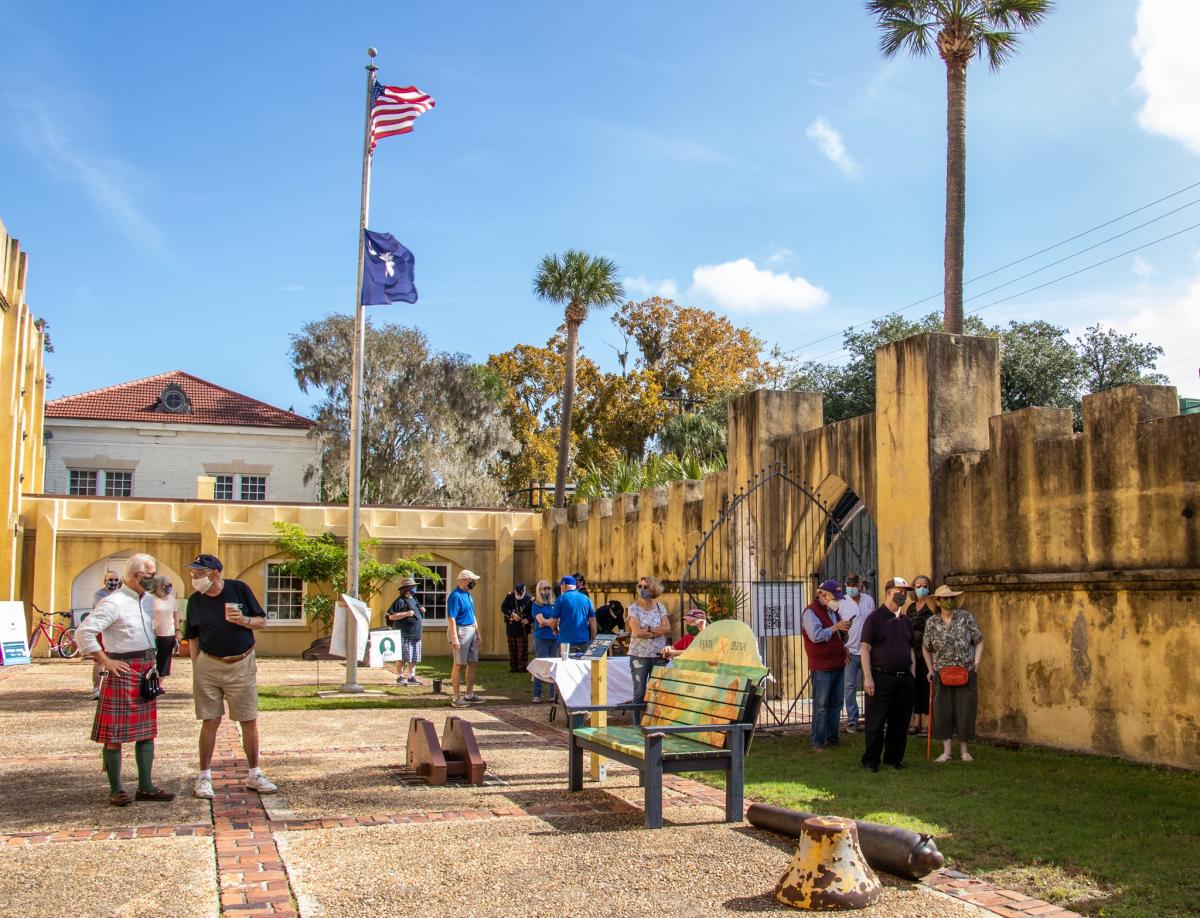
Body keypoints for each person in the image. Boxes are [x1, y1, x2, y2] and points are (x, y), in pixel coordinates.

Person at [75, 553, 175, 806]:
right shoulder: (113, 602)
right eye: (150, 576)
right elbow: (85, 632)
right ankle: (116, 789)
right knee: (115, 734)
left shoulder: (147, 601)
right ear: (135, 576)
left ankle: (146, 786)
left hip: (145, 668)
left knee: (146, 732)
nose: (154, 579)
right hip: (123, 667)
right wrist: (105, 661)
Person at [184, 553, 277, 799]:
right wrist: (197, 667)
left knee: (248, 720)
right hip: (208, 664)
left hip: (241, 663)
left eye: (198, 573)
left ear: (214, 574)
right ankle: (204, 776)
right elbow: (192, 636)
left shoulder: (239, 589)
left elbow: (262, 622)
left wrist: (244, 620)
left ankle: (254, 774)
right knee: (209, 720)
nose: (194, 577)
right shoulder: (195, 600)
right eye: (193, 573)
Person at [859, 576, 916, 772]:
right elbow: (865, 648)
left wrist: (912, 673)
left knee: (900, 721)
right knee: (876, 721)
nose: (904, 596)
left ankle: (894, 759)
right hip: (881, 676)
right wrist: (868, 677)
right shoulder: (874, 618)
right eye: (900, 592)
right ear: (889, 592)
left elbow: (910, 649)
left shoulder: (906, 620)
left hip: (904, 678)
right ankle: (871, 761)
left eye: (906, 592)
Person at [922, 585, 985, 763]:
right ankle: (946, 751)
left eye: (952, 598)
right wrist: (930, 669)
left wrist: (977, 662)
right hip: (942, 673)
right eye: (945, 598)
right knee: (942, 712)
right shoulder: (932, 622)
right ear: (938, 602)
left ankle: (964, 751)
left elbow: (979, 640)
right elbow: (926, 648)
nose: (949, 601)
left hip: (965, 671)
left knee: (965, 711)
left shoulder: (966, 618)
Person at [802, 579, 851, 752]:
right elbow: (816, 636)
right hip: (821, 666)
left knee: (836, 703)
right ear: (821, 594)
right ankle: (817, 740)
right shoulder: (810, 612)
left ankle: (832, 737)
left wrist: (844, 645)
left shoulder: (832, 612)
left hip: (837, 664)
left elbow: (836, 635)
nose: (835, 600)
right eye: (832, 596)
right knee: (821, 706)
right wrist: (835, 627)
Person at [626, 575, 670, 724]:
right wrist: (656, 632)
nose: (642, 589)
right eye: (640, 586)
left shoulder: (660, 607)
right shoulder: (633, 608)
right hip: (639, 655)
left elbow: (667, 628)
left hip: (658, 654)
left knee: (657, 690)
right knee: (639, 691)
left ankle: (654, 723)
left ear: (653, 589)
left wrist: (649, 630)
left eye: (645, 587)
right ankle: (637, 724)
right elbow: (637, 631)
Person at [840, 573, 875, 734]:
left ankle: (873, 718)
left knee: (872, 684)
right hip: (850, 651)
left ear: (860, 585)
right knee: (849, 687)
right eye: (849, 584)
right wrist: (842, 649)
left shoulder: (869, 600)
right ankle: (852, 720)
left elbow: (874, 624)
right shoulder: (841, 602)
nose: (852, 587)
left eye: (855, 584)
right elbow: (838, 629)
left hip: (868, 650)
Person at [903, 575, 935, 736]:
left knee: (926, 687)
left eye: (924, 585)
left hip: (929, 654)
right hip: (913, 654)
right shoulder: (910, 608)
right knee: (914, 688)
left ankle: (927, 723)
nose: (921, 588)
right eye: (918, 585)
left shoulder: (933, 607)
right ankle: (915, 721)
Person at [447, 569, 483, 708]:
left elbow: (472, 614)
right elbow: (451, 617)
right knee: (459, 664)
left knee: (473, 662)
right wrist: (455, 636)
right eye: (471, 580)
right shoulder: (455, 596)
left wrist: (477, 632)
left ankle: (469, 694)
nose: (473, 583)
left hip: (471, 629)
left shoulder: (468, 595)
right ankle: (456, 697)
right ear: (463, 581)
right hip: (461, 630)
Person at [87, 569, 121, 699]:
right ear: (105, 581)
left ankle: (110, 688)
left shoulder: (121, 594)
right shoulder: (99, 594)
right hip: (102, 629)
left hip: (117, 631)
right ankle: (97, 688)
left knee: (115, 660)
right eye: (110, 580)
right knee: (100, 660)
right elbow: (103, 609)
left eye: (116, 580)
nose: (113, 582)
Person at [385, 577, 424, 685]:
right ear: (407, 588)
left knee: (414, 657)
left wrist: (421, 610)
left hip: (416, 634)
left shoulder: (415, 599)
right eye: (413, 587)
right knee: (401, 657)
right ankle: (400, 677)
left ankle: (411, 676)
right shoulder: (399, 601)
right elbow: (391, 617)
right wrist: (406, 614)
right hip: (404, 634)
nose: (415, 588)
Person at [554, 574, 597, 656]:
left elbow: (554, 620)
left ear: (565, 586)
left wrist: (554, 629)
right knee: (582, 667)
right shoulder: (586, 599)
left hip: (566, 642)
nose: (561, 588)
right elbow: (592, 620)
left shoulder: (561, 598)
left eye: (561, 586)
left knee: (566, 668)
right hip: (584, 641)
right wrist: (592, 639)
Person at [530, 579, 558, 704]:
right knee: (540, 664)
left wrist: (549, 622)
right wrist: (550, 622)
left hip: (554, 637)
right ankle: (537, 694)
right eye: (544, 588)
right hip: (541, 638)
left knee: (554, 666)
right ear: (539, 590)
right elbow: (541, 621)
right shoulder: (536, 605)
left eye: (548, 588)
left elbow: (557, 619)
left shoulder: (554, 604)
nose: (547, 590)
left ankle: (553, 694)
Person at [149, 579, 180, 680]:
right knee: (151, 660)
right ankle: (149, 681)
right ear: (159, 585)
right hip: (152, 633)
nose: (170, 587)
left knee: (164, 662)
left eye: (171, 584)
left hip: (168, 633)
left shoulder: (171, 598)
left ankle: (159, 683)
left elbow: (175, 615)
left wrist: (177, 631)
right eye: (167, 585)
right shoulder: (150, 598)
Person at [501, 582, 533, 673]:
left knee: (522, 649)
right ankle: (513, 668)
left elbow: (533, 613)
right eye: (517, 593)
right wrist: (512, 614)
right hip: (511, 626)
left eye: (521, 593)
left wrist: (528, 620)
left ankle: (522, 667)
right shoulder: (510, 596)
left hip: (522, 627)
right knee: (512, 648)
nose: (519, 595)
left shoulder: (530, 599)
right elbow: (503, 607)